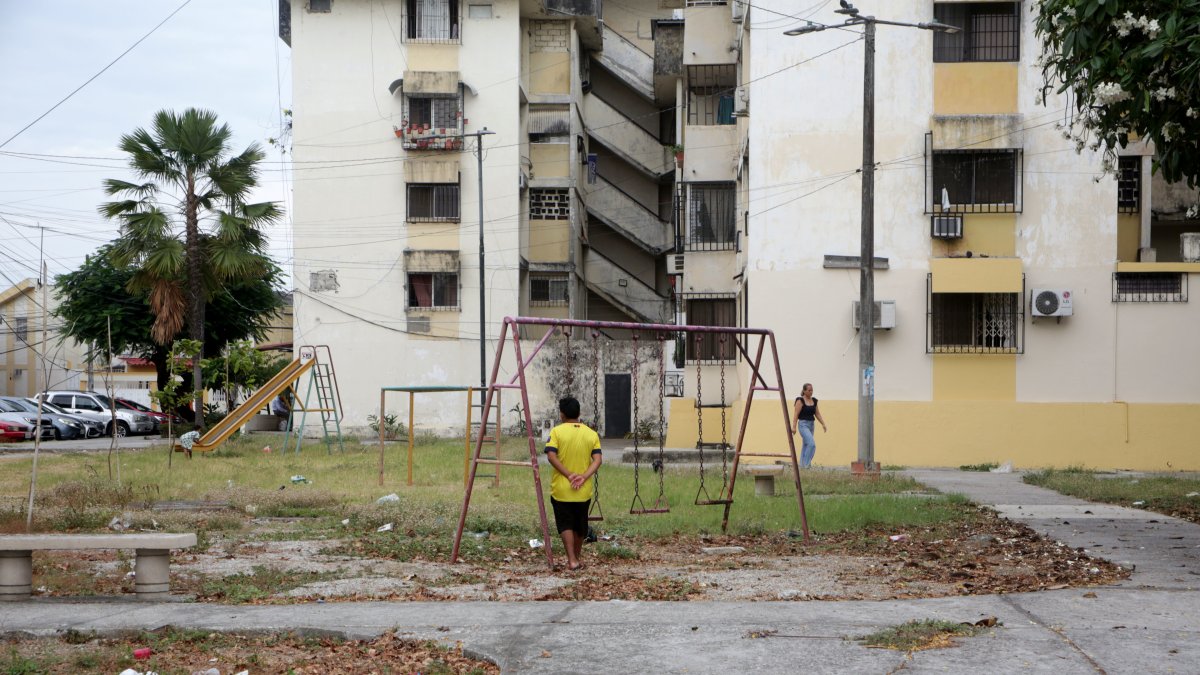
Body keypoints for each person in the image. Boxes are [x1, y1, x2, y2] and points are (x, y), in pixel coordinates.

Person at [544, 396, 602, 571]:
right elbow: (597, 460)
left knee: (565, 524)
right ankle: (576, 558)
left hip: (562, 489)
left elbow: (551, 455)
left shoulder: (557, 432)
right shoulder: (591, 434)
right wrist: (583, 477)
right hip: (583, 490)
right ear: (579, 413)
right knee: (580, 525)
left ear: (562, 414)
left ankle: (571, 559)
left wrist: (569, 475)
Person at [792, 383, 827, 469]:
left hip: (811, 424)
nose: (811, 392)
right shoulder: (800, 400)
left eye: (812, 390)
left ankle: (802, 465)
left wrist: (823, 423)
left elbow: (817, 414)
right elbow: (796, 414)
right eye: (809, 390)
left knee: (806, 445)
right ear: (804, 391)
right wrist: (794, 427)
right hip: (803, 425)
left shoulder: (814, 401)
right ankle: (806, 466)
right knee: (812, 444)